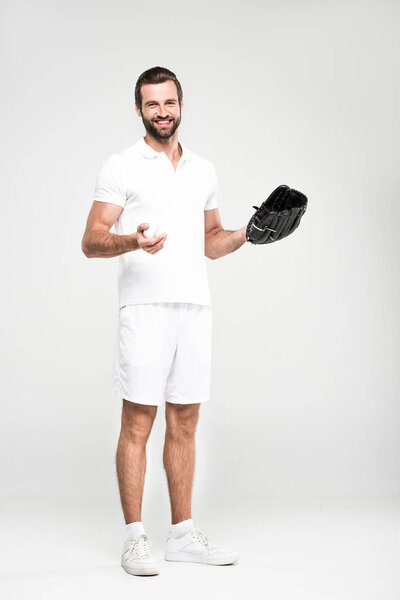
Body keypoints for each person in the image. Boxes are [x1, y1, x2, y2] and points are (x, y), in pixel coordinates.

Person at [81, 66, 247, 576]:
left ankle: (182, 535)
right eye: (152, 104)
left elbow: (211, 240)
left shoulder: (204, 169)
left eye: (169, 102)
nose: (162, 112)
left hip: (194, 308)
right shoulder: (121, 165)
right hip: (145, 309)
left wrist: (249, 234)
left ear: (181, 104)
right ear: (138, 109)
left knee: (186, 421)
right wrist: (134, 239)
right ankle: (135, 539)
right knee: (138, 421)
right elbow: (91, 239)